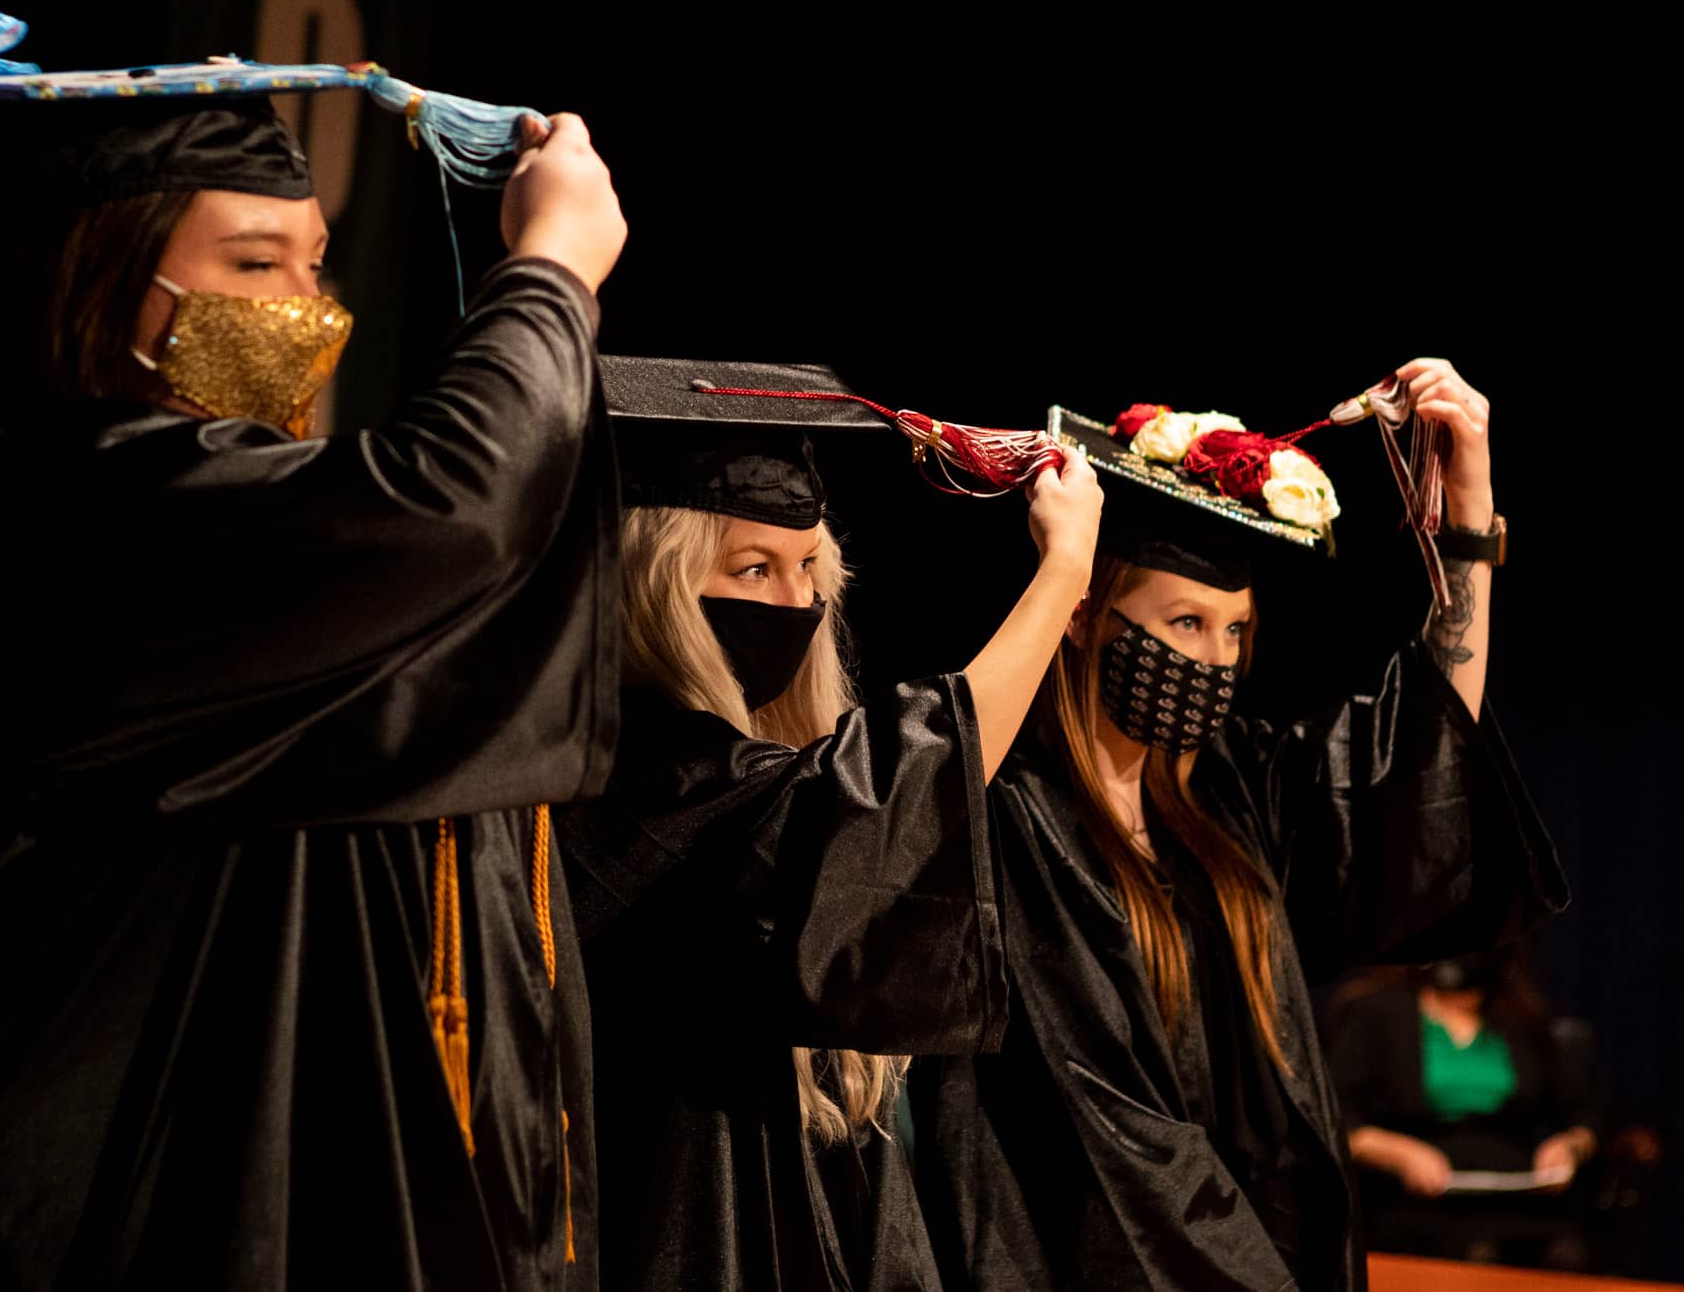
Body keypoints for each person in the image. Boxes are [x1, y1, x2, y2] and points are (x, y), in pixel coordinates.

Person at [0, 4, 626, 1289]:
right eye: (252, 264)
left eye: (314, 263)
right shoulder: (52, 517)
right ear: (104, 271)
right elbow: (452, 512)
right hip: (67, 1210)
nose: (307, 307)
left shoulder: (142, 506)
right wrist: (551, 267)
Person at [913, 361, 1567, 1291]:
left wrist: (1467, 525)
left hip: (1268, 1249)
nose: (1213, 660)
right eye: (1184, 622)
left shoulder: (1232, 798)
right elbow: (1108, 1148)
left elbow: (1421, 767)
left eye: (1234, 631)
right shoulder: (1015, 822)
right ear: (1085, 616)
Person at [557, 358, 1103, 1291]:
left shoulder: (748, 764)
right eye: (752, 567)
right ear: (656, 581)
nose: (793, 603)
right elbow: (885, 796)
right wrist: (1062, 576)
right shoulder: (630, 770)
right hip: (679, 1220)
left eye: (808, 566)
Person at [1327, 951, 1599, 1268]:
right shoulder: (1375, 1013)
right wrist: (1399, 1153)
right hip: (1411, 1196)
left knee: (1559, 1250)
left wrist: (1567, 1147)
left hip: (1513, 1197)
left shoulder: (1523, 1018)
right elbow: (1338, 1117)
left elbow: (1583, 1117)